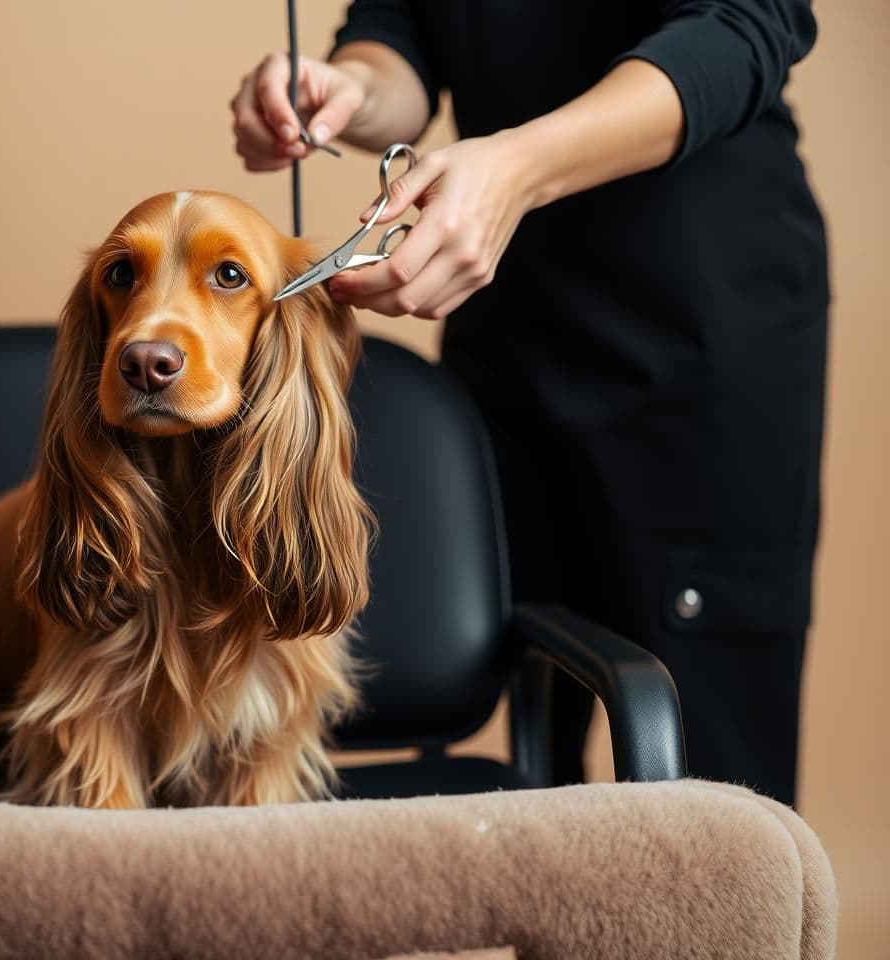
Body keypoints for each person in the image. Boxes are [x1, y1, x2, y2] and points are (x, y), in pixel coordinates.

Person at [230, 1, 827, 807]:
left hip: (697, 335)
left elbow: (744, 25)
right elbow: (400, 40)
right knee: (541, 749)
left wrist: (517, 169)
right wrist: (346, 88)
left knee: (711, 780)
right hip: (505, 338)